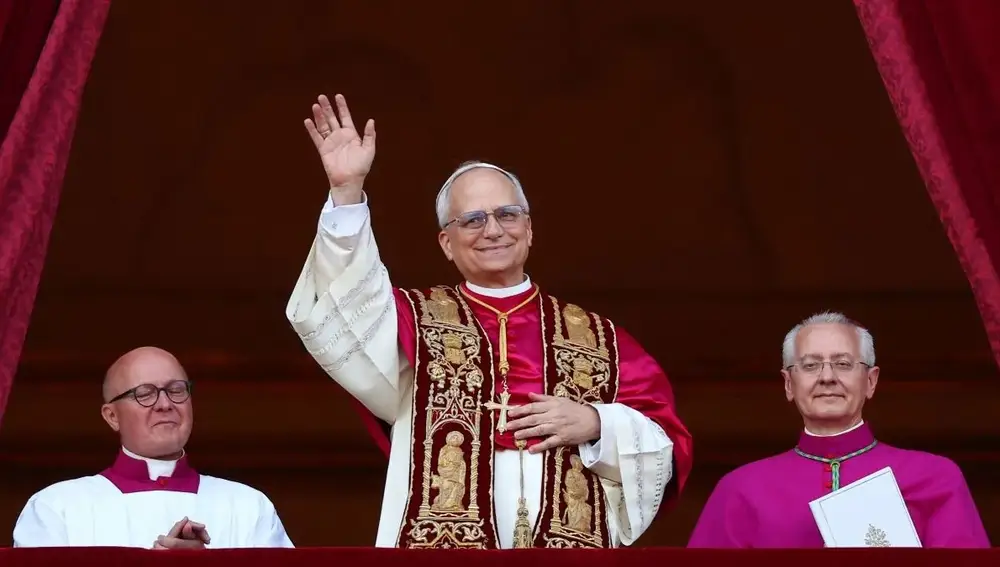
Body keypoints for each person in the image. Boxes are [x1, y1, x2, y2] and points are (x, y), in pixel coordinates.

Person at [284, 93, 694, 549]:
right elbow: (346, 302)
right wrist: (346, 193)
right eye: (472, 220)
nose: (493, 230)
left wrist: (598, 423)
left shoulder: (600, 339)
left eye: (507, 214)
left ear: (530, 228)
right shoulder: (409, 322)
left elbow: (668, 446)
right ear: (446, 242)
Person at [687, 311, 990, 548]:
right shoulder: (740, 489)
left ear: (870, 381)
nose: (827, 377)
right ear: (789, 384)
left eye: (843, 364)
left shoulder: (935, 478)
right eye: (810, 365)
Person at [13, 346, 294, 549]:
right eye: (144, 394)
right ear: (112, 416)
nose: (164, 403)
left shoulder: (248, 506)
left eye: (176, 390)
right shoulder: (56, 508)